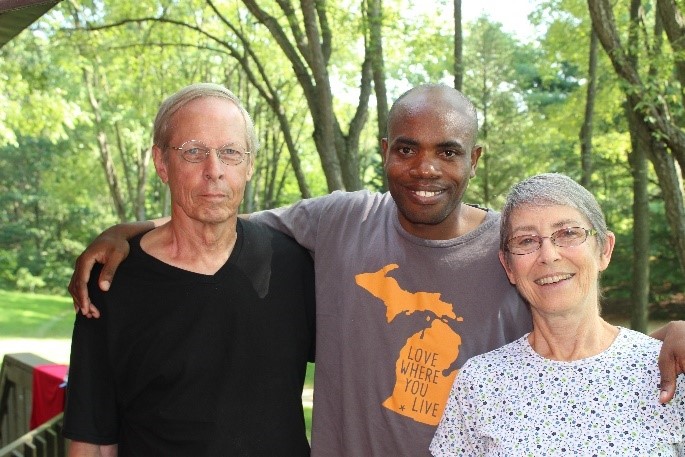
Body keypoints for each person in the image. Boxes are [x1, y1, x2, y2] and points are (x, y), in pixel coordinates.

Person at [67, 84, 685, 456]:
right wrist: (130, 233)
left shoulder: (515, 246)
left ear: (475, 158)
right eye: (406, 148)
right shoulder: (339, 222)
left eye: (448, 151)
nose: (425, 169)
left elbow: (578, 320)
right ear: (384, 151)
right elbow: (214, 214)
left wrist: (667, 339)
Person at [62, 83, 315, 456]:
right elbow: (92, 440)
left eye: (230, 152)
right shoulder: (112, 280)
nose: (214, 170)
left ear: (249, 166)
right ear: (161, 163)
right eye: (193, 152)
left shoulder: (294, 265)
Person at [430, 173, 685, 456]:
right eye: (526, 241)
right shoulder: (480, 383)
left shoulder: (669, 370)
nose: (548, 255)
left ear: (605, 249)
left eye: (568, 233)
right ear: (509, 266)